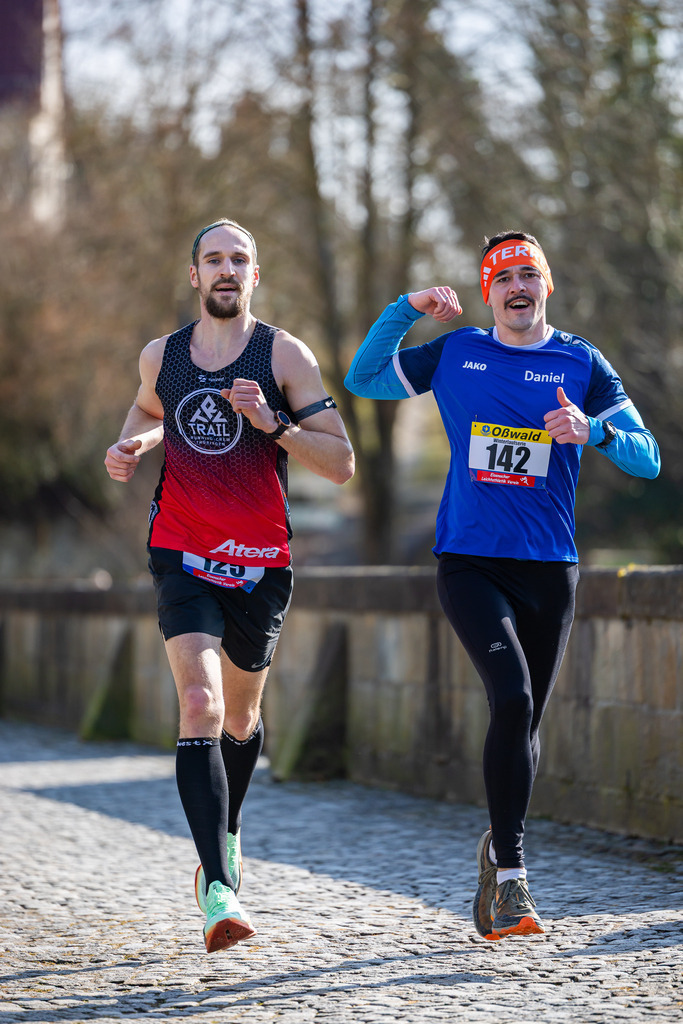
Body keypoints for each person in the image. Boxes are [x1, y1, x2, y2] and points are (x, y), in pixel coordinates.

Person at [344, 230, 659, 941]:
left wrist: (594, 433)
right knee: (510, 696)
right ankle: (514, 879)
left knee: (524, 719)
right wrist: (405, 309)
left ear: (546, 285)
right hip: (470, 560)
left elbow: (649, 461)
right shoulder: (458, 352)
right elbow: (365, 378)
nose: (516, 285)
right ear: (487, 293)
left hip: (550, 567)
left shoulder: (580, 363)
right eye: (502, 276)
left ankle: (496, 849)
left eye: (528, 274)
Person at [105, 218, 354, 953]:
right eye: (212, 259)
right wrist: (134, 445)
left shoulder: (285, 354)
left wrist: (270, 423)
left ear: (254, 275)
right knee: (198, 701)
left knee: (241, 720)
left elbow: (339, 465)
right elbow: (150, 411)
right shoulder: (162, 356)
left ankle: (228, 831)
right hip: (180, 550)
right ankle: (218, 889)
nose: (224, 269)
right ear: (194, 276)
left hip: (260, 563)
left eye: (237, 259)